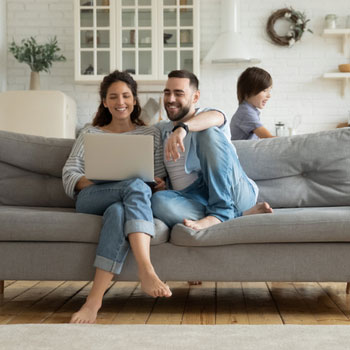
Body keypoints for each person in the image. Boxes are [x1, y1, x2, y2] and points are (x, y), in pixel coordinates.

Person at [62, 70, 172, 324]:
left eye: (125, 96)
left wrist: (159, 182)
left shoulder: (150, 134)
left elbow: (157, 175)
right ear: (105, 101)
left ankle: (94, 301)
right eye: (113, 97)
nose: (120, 102)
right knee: (133, 185)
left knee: (118, 212)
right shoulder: (90, 134)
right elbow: (69, 172)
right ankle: (146, 269)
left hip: (125, 202)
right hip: (92, 197)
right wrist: (101, 178)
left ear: (134, 100)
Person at [151, 69, 273, 231]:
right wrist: (162, 184)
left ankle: (221, 211)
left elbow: (216, 117)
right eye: (167, 93)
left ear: (195, 97)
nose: (171, 99)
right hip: (194, 197)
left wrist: (183, 128)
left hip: (233, 191)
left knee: (207, 131)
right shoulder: (161, 130)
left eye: (178, 93)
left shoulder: (208, 116)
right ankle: (237, 215)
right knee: (158, 201)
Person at [230, 67, 274, 140]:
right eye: (264, 90)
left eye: (269, 91)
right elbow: (269, 138)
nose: (269, 95)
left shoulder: (248, 110)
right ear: (248, 91)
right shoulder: (246, 113)